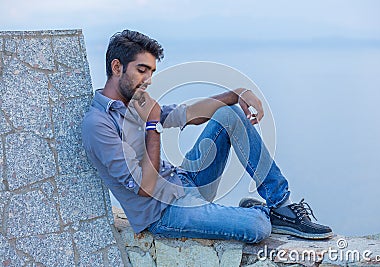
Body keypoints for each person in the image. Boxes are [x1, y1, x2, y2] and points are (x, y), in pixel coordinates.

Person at [82, 29, 333, 243]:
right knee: (258, 227)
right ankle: (258, 213)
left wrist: (236, 94)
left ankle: (280, 205)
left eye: (152, 72)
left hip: (184, 181)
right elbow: (144, 189)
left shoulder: (134, 102)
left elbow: (186, 114)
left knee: (229, 115)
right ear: (117, 67)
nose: (148, 80)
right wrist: (153, 125)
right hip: (164, 213)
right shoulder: (98, 125)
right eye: (142, 70)